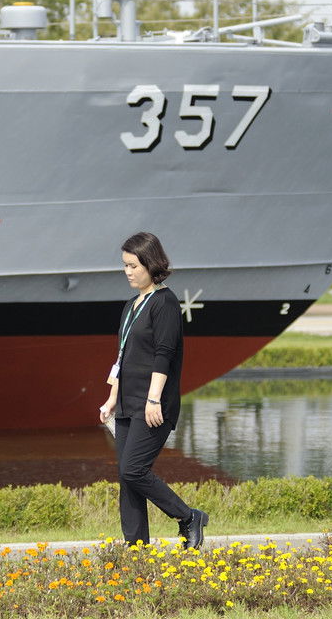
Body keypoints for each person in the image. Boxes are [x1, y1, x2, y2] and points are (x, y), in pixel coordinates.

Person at [98, 231, 208, 549]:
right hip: (127, 402)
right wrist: (112, 398)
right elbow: (122, 356)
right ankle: (136, 549)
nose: (127, 272)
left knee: (134, 469)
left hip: (153, 403)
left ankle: (188, 517)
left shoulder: (165, 302)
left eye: (133, 265)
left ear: (151, 264)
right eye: (125, 265)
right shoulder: (131, 305)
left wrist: (153, 398)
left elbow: (164, 354)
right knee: (126, 478)